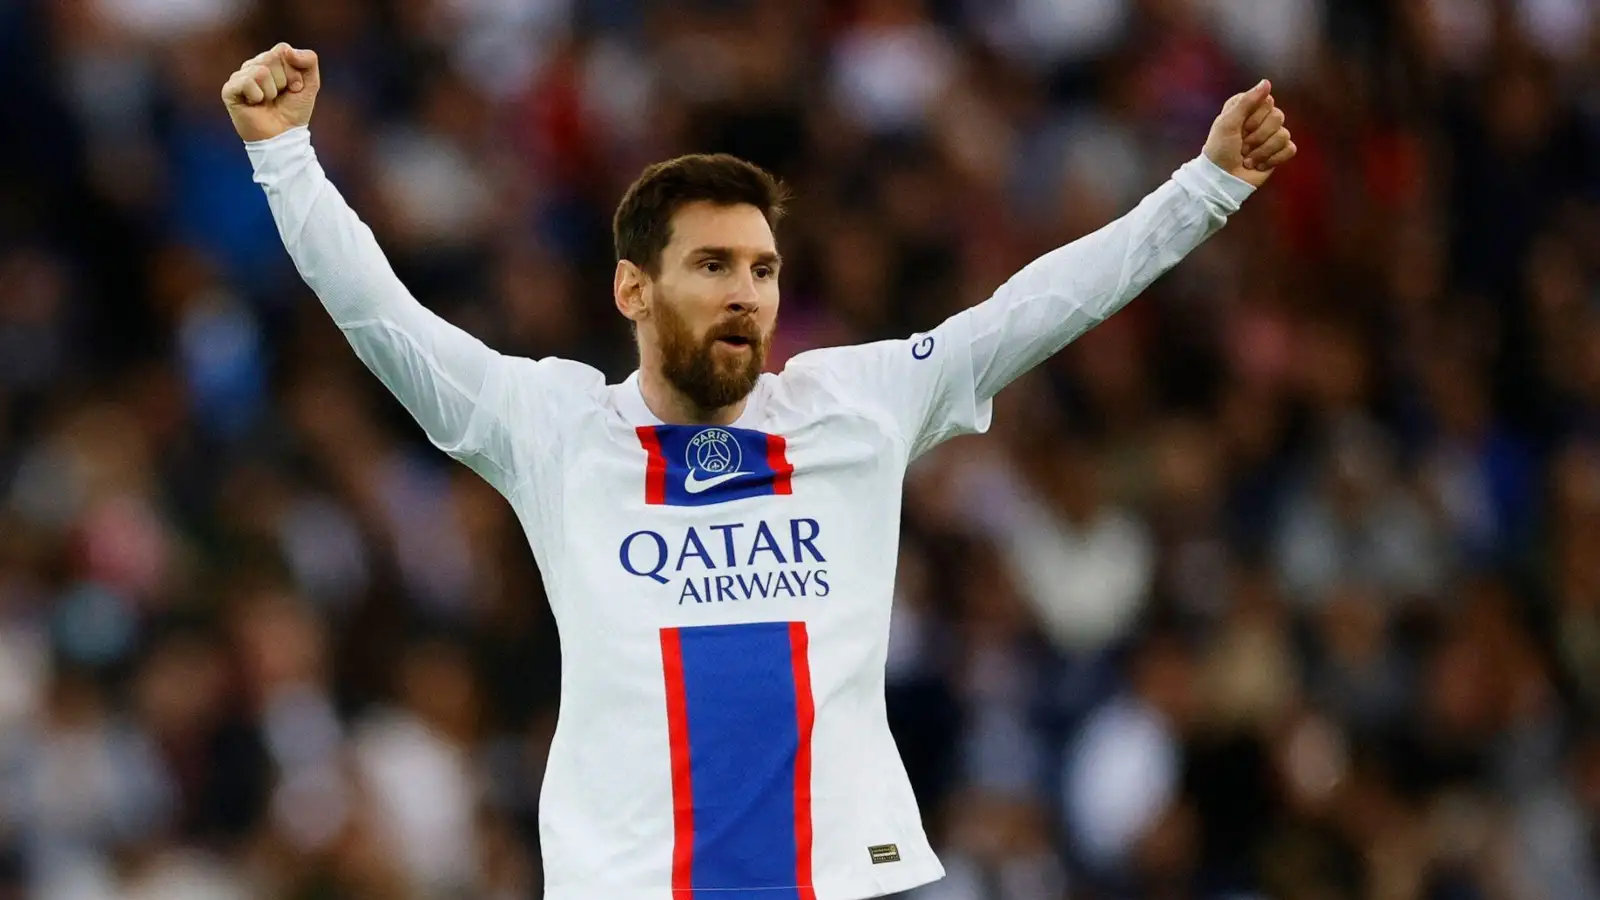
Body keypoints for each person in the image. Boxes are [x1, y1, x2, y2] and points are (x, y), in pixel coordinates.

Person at [221, 42, 1295, 900]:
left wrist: (1205, 188)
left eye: (764, 269)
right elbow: (384, 320)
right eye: (712, 266)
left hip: (839, 881)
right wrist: (286, 157)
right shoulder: (552, 430)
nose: (747, 292)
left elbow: (1030, 311)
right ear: (632, 291)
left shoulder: (853, 408)